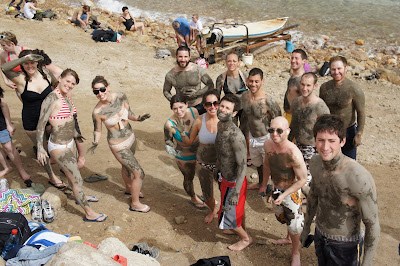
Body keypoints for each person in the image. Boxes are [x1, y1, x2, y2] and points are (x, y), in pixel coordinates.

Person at [300, 114, 380, 266]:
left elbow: (372, 224)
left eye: (331, 141)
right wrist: (306, 229)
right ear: (315, 140)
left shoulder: (357, 177)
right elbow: (313, 197)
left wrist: (366, 263)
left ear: (342, 141)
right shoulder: (315, 163)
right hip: (320, 236)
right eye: (320, 140)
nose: (325, 147)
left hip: (345, 246)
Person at [36, 69, 107, 222]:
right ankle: (88, 212)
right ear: (60, 78)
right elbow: (41, 124)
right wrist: (40, 148)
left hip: (69, 142)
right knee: (77, 179)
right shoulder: (51, 98)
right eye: (67, 81)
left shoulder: (66, 97)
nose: (69, 85)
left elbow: (69, 119)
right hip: (59, 146)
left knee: (71, 176)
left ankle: (78, 195)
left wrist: (76, 134)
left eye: (73, 83)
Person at [1, 50, 66, 190]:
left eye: (32, 62)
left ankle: (63, 166)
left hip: (50, 118)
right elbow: (4, 68)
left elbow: (56, 86)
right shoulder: (19, 79)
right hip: (32, 122)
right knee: (42, 152)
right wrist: (25, 58)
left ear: (37, 62)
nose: (30, 65)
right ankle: (52, 177)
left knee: (55, 145)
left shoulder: (46, 74)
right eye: (26, 63)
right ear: (21, 64)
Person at [89, 76, 151, 213]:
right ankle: (135, 203)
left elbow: (129, 113)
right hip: (118, 145)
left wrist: (138, 119)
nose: (100, 93)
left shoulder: (121, 96)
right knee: (139, 173)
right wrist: (95, 141)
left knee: (126, 166)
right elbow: (97, 130)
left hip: (131, 138)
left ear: (108, 87)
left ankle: (130, 189)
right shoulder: (97, 112)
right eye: (96, 92)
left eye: (102, 89)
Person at [259, 116, 307, 266]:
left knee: (295, 224)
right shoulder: (268, 145)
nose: (275, 134)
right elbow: (266, 165)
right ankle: (288, 238)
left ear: (287, 131)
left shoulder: (293, 153)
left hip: (291, 192)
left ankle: (296, 252)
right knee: (283, 217)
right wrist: (263, 184)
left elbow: (302, 179)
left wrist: (285, 195)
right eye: (271, 130)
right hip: (276, 188)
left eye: (279, 131)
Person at [174, 90, 220, 223]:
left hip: (221, 165)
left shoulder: (225, 120)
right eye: (209, 104)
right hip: (204, 164)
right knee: (207, 195)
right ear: (204, 106)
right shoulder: (199, 120)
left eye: (215, 103)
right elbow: (189, 141)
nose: (212, 107)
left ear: (219, 103)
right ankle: (213, 210)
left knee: (227, 193)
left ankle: (224, 213)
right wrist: (180, 133)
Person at [215, 94, 252, 251]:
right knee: (234, 211)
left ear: (234, 113)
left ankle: (245, 238)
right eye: (221, 106)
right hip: (224, 178)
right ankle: (240, 229)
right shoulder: (220, 126)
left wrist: (236, 192)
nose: (223, 110)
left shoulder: (236, 136)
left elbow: (243, 166)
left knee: (229, 213)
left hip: (235, 182)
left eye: (227, 108)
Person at [288, 72, 330, 194]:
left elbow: (328, 130)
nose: (305, 88)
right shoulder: (296, 102)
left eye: (308, 85)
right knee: (296, 176)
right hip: (297, 145)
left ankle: (311, 205)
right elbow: (294, 124)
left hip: (312, 147)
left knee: (305, 181)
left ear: (314, 86)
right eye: (303, 84)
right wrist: (288, 143)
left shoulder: (320, 106)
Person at [164, 94, 206, 209]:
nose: (178, 111)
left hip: (200, 153)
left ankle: (206, 196)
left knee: (205, 176)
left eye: (181, 107)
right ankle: (193, 198)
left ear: (186, 104)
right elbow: (168, 143)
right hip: (185, 157)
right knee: (189, 178)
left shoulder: (194, 112)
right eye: (175, 108)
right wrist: (178, 156)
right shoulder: (169, 124)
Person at [241, 68, 281, 189]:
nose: (253, 84)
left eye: (256, 81)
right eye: (251, 81)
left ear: (262, 81)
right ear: (247, 81)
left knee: (272, 165)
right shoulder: (244, 97)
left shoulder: (268, 101)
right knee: (258, 164)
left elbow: (278, 120)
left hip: (266, 137)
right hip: (253, 137)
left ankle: (275, 189)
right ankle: (260, 183)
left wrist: (278, 141)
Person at [319, 56, 365, 160]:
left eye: (339, 69)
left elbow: (361, 112)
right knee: (329, 161)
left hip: (348, 130)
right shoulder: (325, 88)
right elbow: (321, 109)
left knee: (349, 163)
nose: (336, 72)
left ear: (346, 68)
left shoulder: (353, 89)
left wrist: (359, 133)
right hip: (330, 129)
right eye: (333, 69)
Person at [215, 51, 250, 165]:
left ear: (239, 62)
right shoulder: (221, 78)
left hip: (244, 108)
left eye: (234, 61)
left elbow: (252, 91)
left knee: (246, 132)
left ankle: (247, 155)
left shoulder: (244, 76)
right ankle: (230, 154)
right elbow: (217, 96)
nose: (231, 63)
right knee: (230, 132)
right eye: (229, 61)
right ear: (225, 62)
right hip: (231, 110)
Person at [163, 46, 214, 115]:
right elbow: (166, 91)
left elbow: (210, 84)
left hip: (199, 105)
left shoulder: (198, 70)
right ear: (176, 57)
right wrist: (175, 101)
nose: (183, 59)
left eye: (185, 57)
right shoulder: (171, 75)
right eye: (180, 57)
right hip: (182, 109)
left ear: (189, 57)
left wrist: (197, 93)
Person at [0, 86, 32, 185]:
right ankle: (6, 167)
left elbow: (3, 104)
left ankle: (21, 170)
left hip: (0, 124)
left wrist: (9, 124)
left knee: (9, 148)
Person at [283, 49, 307, 126]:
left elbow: (306, 102)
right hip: (288, 116)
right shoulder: (293, 76)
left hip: (296, 120)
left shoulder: (303, 80)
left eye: (296, 58)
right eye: (292, 58)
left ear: (304, 61)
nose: (293, 61)